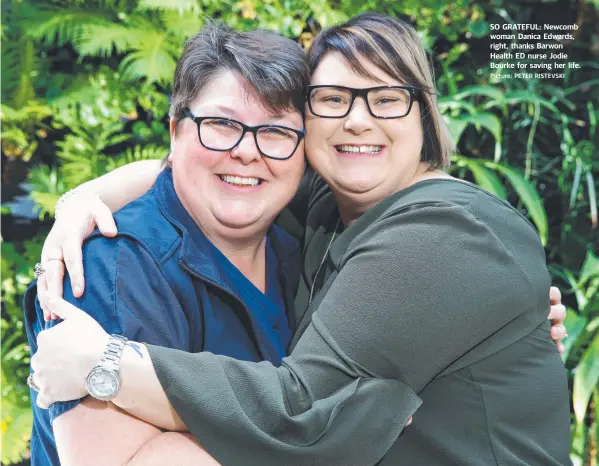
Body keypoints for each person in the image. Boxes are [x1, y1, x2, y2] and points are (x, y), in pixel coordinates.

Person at [29, 13, 571, 466]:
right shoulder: (320, 213)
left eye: (385, 99)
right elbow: (215, 167)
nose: (358, 120)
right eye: (333, 99)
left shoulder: (442, 233)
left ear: (423, 114)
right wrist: (81, 200)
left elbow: (301, 412)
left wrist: (108, 366)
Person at [23, 24, 310, 466]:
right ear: (175, 132)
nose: (247, 152)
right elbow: (122, 460)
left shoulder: (307, 250)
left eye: (275, 131)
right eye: (221, 124)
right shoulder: (109, 266)